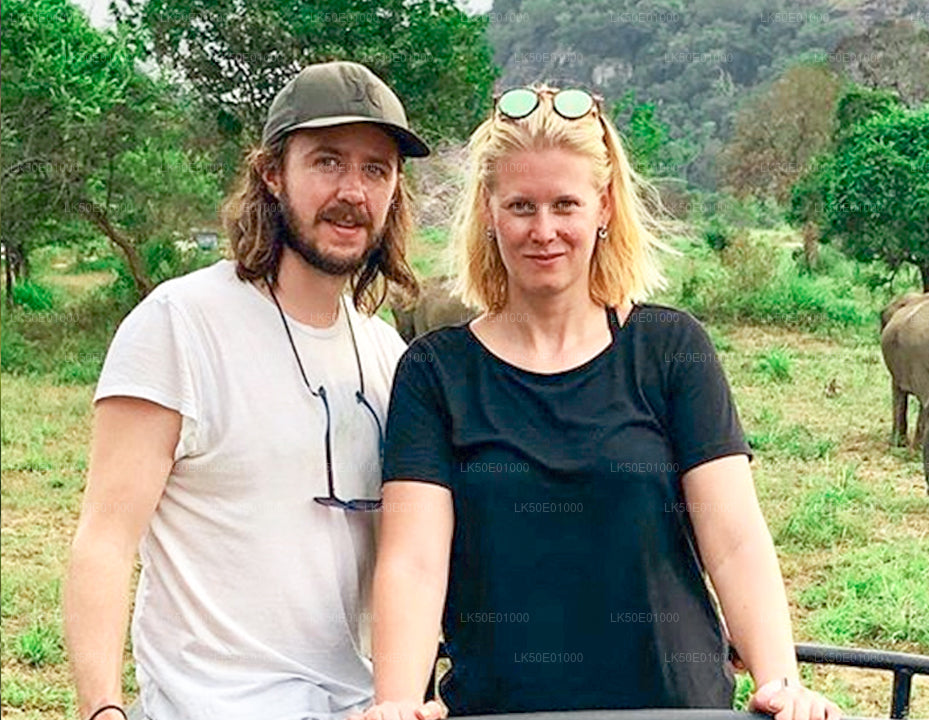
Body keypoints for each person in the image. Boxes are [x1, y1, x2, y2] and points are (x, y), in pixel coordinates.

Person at [358, 86, 843, 720]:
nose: (544, 231)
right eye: (521, 206)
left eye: (566, 204)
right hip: (501, 712)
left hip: (673, 711)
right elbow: (414, 561)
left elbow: (734, 539)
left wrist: (781, 681)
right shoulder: (435, 371)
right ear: (488, 211)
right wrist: (396, 702)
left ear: (604, 207)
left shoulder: (670, 349)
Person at [63, 61, 429, 720]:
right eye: (327, 161)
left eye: (376, 170)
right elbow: (104, 540)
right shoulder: (180, 325)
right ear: (271, 173)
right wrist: (102, 709)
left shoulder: (388, 356)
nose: (353, 191)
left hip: (355, 706)